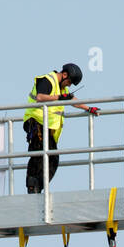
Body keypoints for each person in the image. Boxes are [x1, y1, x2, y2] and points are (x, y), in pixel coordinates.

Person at [24, 63, 96, 194]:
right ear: (64, 75)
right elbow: (40, 97)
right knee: (42, 156)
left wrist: (89, 108)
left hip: (47, 127)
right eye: (69, 82)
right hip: (36, 122)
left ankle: (37, 187)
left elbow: (72, 100)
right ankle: (33, 187)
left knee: (50, 158)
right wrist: (59, 97)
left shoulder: (61, 89)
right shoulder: (47, 80)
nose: (69, 85)